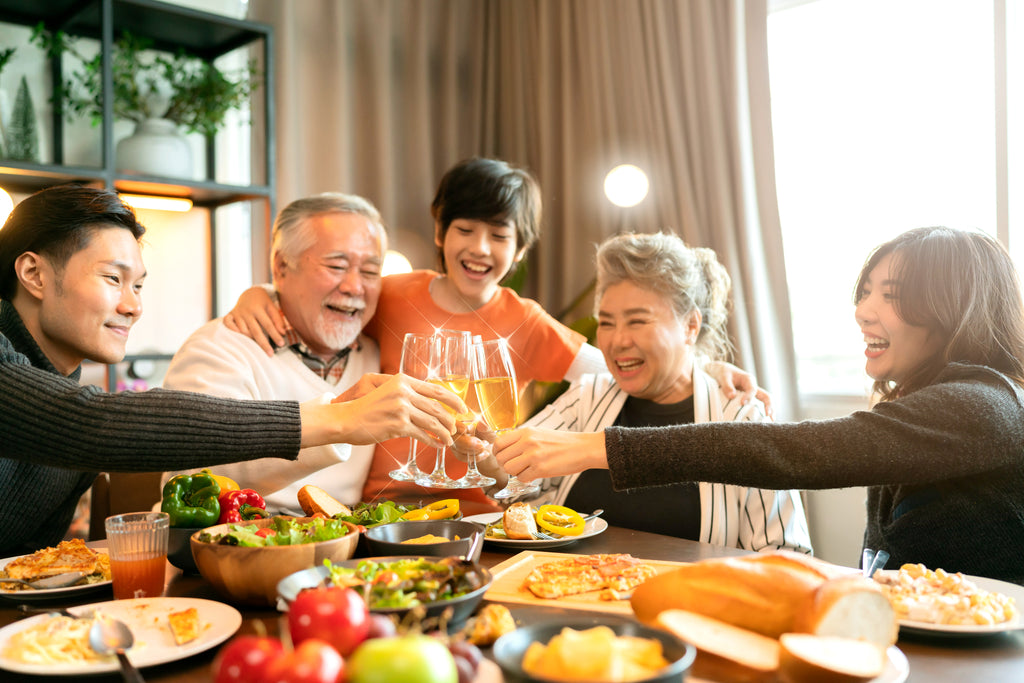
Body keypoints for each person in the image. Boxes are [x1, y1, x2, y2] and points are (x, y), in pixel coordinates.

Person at [228, 158, 765, 515]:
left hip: (479, 511)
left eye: (499, 235)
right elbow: (332, 301)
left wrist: (704, 367)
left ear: (521, 251)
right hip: (383, 508)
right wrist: (259, 294)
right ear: (440, 233)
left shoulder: (526, 320)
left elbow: (619, 366)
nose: (480, 247)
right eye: (465, 229)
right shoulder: (392, 294)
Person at [493, 226, 1024, 584]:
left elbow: (803, 451)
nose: (863, 310)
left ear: (954, 304)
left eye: (892, 294)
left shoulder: (983, 407)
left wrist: (596, 448)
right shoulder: (924, 403)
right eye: (865, 292)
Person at [0, 185, 463, 555]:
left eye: (139, 284)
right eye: (112, 278)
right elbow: (93, 422)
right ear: (34, 275)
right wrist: (339, 419)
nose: (133, 305)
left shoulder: (59, 375)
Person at [476, 233, 811, 552]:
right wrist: (486, 452)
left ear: (690, 327)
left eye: (637, 321)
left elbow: (785, 551)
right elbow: (515, 488)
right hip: (565, 591)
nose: (618, 340)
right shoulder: (588, 396)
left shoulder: (739, 415)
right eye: (606, 323)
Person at [162, 194, 386, 514]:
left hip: (348, 547)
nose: (354, 286)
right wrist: (338, 420)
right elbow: (194, 483)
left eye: (370, 271)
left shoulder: (382, 349)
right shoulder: (218, 349)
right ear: (281, 266)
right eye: (336, 266)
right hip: (235, 545)